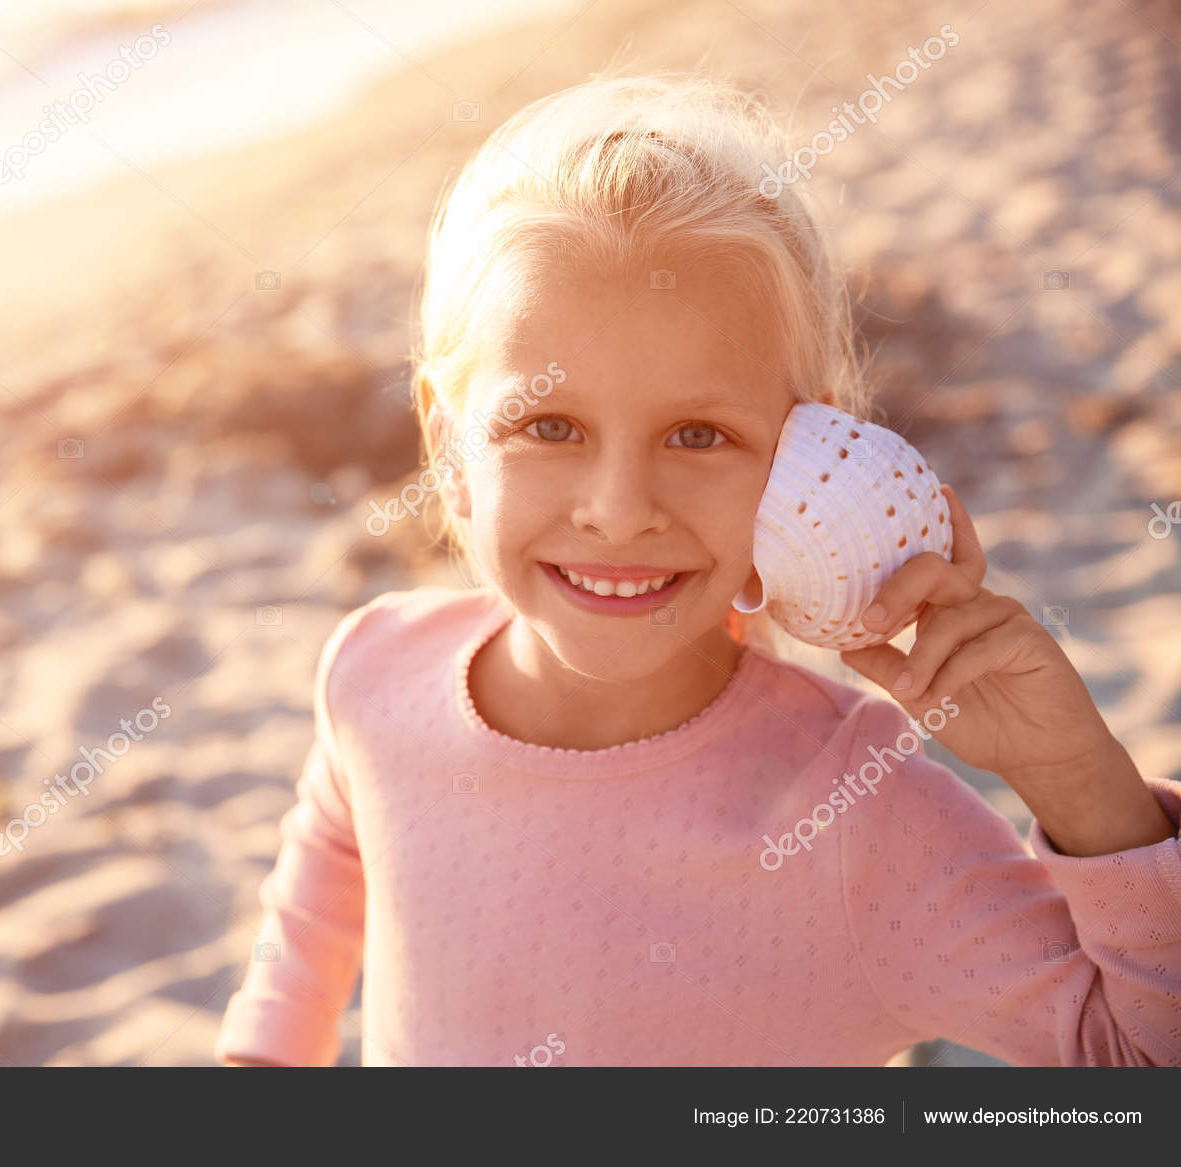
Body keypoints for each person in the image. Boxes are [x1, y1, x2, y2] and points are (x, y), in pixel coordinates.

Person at [214, 72, 1181, 1067]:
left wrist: (1077, 780)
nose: (619, 509)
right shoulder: (374, 672)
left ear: (805, 453)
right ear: (450, 449)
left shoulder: (856, 815)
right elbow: (323, 878)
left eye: (696, 434)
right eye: (551, 426)